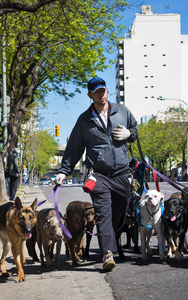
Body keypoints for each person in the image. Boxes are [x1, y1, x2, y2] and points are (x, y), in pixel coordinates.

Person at [55, 77, 137, 272]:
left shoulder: (122, 111)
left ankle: (113, 243)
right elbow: (74, 148)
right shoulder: (84, 120)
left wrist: (129, 134)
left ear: (107, 91)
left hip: (121, 174)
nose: (101, 94)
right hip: (98, 175)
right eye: (97, 92)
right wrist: (63, 171)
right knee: (103, 213)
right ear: (90, 95)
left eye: (103, 90)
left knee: (119, 213)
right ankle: (107, 253)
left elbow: (135, 130)